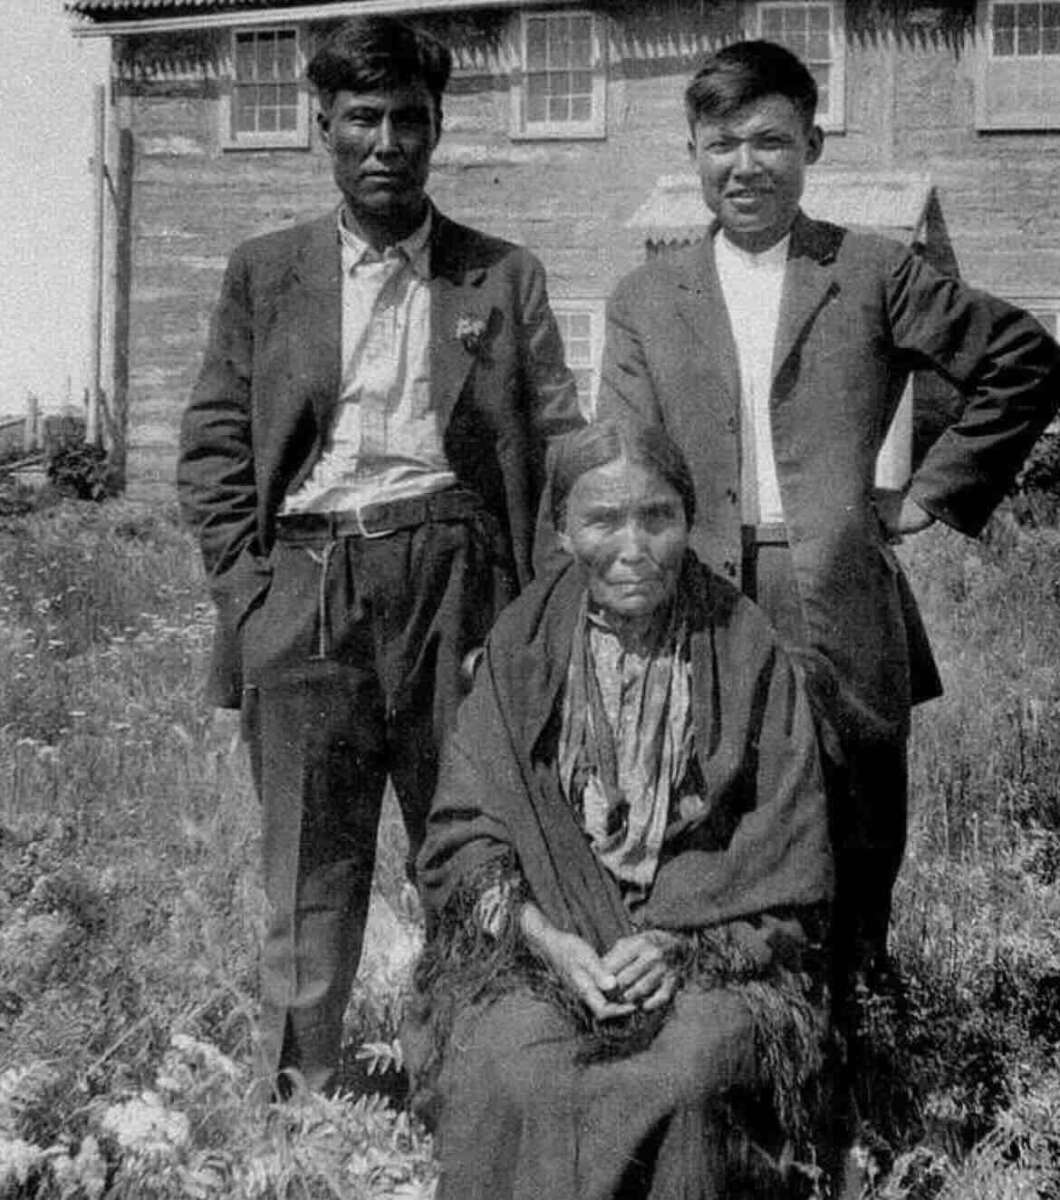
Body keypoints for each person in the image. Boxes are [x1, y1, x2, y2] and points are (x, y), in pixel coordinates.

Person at [596, 39, 1060, 992]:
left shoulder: (873, 271)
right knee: (711, 823)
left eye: (771, 141)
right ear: (693, 153)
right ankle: (746, 1044)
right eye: (722, 144)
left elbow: (1022, 359)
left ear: (811, 144)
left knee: (854, 830)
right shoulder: (645, 299)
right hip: (701, 600)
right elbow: (627, 458)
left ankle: (855, 1039)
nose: (745, 167)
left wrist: (930, 494)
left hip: (838, 596)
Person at [176, 16, 581, 1095]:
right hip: (305, 587)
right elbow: (213, 449)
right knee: (309, 866)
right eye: (363, 118)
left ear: (438, 128)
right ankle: (301, 1101)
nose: (386, 141)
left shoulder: (501, 275)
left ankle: (466, 1084)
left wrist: (531, 621)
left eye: (409, 119)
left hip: (457, 581)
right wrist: (251, 596)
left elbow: (554, 444)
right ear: (323, 128)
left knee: (473, 847)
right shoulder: (265, 274)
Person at [405, 422, 834, 1199]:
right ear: (563, 531)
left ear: (687, 519)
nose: (633, 546)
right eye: (603, 521)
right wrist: (548, 939)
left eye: (658, 518)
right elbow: (462, 836)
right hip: (542, 950)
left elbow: (787, 858)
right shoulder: (521, 646)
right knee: (515, 1065)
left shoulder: (745, 645)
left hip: (708, 954)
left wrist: (679, 944)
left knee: (688, 1068)